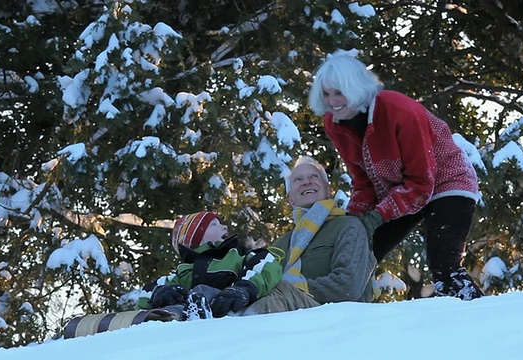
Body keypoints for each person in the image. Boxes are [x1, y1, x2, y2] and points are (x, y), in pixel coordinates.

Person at [308, 52, 483, 300]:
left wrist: (378, 215)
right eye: (326, 94)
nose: (332, 101)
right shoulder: (334, 123)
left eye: (339, 92)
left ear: (356, 88)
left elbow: (422, 183)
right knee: (360, 251)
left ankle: (479, 317)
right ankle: (348, 313)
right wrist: (354, 220)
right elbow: (363, 181)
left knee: (444, 264)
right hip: (399, 191)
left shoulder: (399, 110)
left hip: (446, 182)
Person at [137, 211, 318, 318]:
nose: (225, 227)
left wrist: (245, 288)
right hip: (215, 321)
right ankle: (174, 319)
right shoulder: (183, 273)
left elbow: (266, 265)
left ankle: (229, 318)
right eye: (215, 225)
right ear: (195, 239)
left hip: (250, 312)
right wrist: (158, 294)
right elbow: (146, 292)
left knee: (275, 290)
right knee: (189, 297)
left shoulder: (238, 255)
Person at [271, 156, 377, 304]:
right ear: (290, 199)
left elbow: (347, 286)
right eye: (298, 180)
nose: (307, 182)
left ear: (328, 191)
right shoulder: (280, 245)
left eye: (314, 176)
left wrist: (293, 290)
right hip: (282, 317)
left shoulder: (348, 226)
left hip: (334, 319)